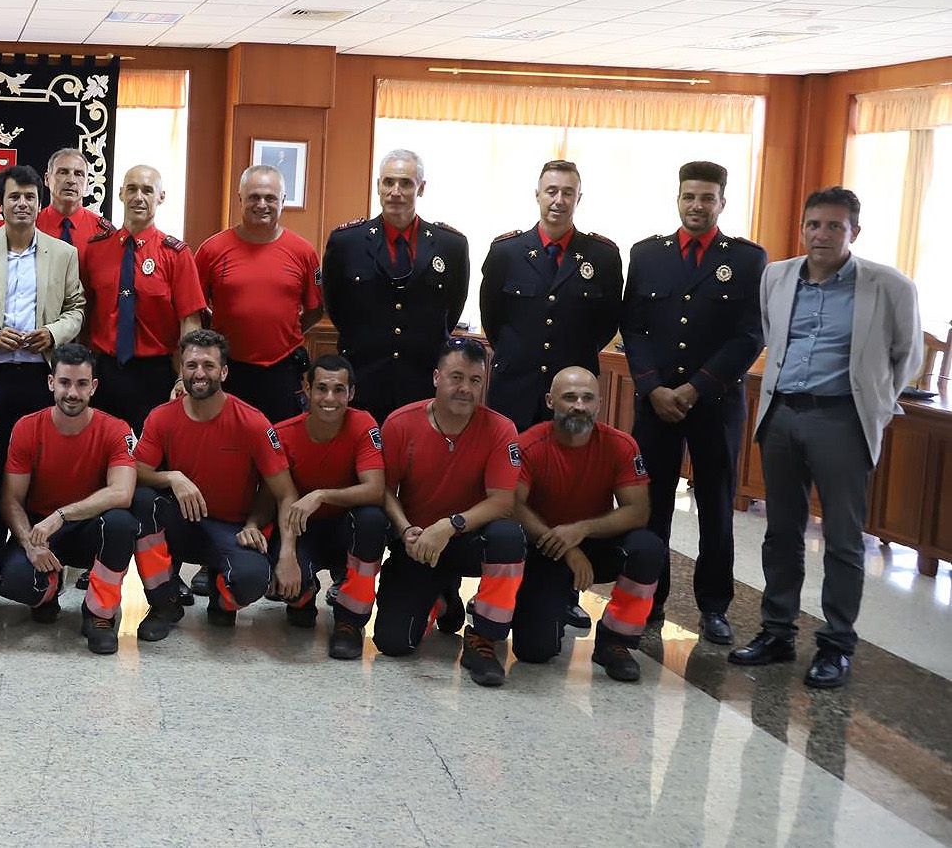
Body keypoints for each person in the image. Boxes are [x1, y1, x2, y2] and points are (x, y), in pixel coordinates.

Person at [730, 187, 922, 689]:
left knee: (841, 539)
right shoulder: (777, 275)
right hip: (783, 417)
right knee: (782, 532)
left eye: (834, 226)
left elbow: (908, 355)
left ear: (854, 232)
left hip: (842, 421)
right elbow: (774, 334)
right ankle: (777, 632)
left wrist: (872, 404)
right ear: (802, 228)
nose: (822, 234)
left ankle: (836, 645)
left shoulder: (889, 286)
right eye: (814, 224)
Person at [621, 161, 766, 646]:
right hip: (655, 402)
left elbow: (749, 335)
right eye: (689, 197)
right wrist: (653, 388)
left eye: (707, 198)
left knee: (717, 505)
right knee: (651, 504)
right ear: (677, 199)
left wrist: (694, 388)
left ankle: (714, 606)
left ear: (722, 203)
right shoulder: (647, 255)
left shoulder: (747, 259)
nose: (697, 206)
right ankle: (649, 599)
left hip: (715, 404)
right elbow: (634, 328)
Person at [0, 164, 85, 593]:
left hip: (41, 377)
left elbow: (77, 309)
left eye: (29, 197)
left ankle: (37, 546)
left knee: (34, 469)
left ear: (38, 203)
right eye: (13, 197)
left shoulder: (63, 253)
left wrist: (53, 333)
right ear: (0, 204)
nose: (22, 204)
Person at [372, 339, 526, 688]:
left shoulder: (501, 429)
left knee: (508, 536)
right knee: (394, 643)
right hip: (418, 544)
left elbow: (503, 503)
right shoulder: (400, 423)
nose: (465, 389)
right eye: (457, 377)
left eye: (475, 380)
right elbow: (384, 490)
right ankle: (441, 599)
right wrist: (405, 527)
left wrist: (450, 525)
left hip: (470, 540)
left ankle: (483, 637)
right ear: (436, 377)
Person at [130, 329, 296, 641]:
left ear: (224, 371)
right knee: (140, 501)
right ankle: (164, 603)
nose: (199, 374)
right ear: (181, 370)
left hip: (232, 528)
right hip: (181, 522)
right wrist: (171, 477)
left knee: (252, 580)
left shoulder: (253, 422)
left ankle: (223, 597)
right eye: (191, 365)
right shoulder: (161, 418)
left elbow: (284, 493)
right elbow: (135, 471)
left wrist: (283, 550)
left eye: (208, 365)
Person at [512, 367, 664, 682]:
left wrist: (580, 531)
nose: (579, 405)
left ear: (599, 404)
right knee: (533, 652)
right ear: (550, 401)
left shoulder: (621, 446)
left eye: (587, 398)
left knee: (648, 548)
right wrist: (568, 549)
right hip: (546, 547)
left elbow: (638, 511)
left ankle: (616, 641)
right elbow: (513, 506)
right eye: (569, 397)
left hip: (595, 543)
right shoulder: (527, 445)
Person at [0, 344, 138, 655]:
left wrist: (61, 515)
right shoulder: (26, 427)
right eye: (64, 383)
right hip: (41, 532)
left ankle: (100, 614)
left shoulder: (116, 429)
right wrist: (29, 542)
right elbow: (11, 499)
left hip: (89, 528)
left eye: (81, 384)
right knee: (13, 583)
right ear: (50, 383)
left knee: (121, 523)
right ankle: (48, 589)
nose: (72, 393)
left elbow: (122, 493)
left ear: (94, 387)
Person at [321, 149, 469, 422]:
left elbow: (453, 307)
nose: (395, 192)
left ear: (421, 188)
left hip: (421, 380)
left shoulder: (451, 246)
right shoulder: (347, 242)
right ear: (378, 185)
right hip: (363, 375)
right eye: (388, 182)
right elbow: (336, 305)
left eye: (406, 183)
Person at [479, 158, 623, 431]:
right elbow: (493, 318)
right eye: (551, 191)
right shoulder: (506, 252)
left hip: (574, 392)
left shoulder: (603, 256)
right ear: (537, 195)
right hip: (515, 389)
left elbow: (607, 322)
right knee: (510, 467)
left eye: (568, 192)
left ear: (578, 198)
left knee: (570, 470)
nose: (559, 200)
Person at [269, 354, 387, 660]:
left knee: (373, 519)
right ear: (306, 389)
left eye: (339, 390)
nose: (330, 398)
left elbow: (375, 490)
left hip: (343, 528)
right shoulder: (283, 433)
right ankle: (303, 596)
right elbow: (280, 498)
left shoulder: (363, 424)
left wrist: (321, 494)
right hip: (300, 528)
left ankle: (350, 621)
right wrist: (286, 556)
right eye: (321, 388)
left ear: (351, 394)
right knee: (294, 597)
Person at [80, 164, 207, 436]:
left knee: (150, 458)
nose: (139, 196)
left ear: (160, 197)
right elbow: (83, 313)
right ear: (121, 194)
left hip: (154, 375)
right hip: (103, 372)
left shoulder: (176, 254)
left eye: (148, 190)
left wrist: (185, 375)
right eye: (132, 189)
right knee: (102, 452)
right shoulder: (95, 250)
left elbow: (190, 321)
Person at [196, 164, 323, 422]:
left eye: (270, 198)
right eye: (254, 197)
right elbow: (195, 308)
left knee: (281, 444)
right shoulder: (211, 250)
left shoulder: (303, 252)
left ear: (283, 201)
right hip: (228, 368)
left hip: (283, 370)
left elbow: (315, 309)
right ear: (240, 198)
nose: (261, 204)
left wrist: (283, 332)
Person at [36, 147, 111, 247]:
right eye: (63, 172)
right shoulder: (31, 226)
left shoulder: (103, 233)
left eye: (78, 174)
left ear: (87, 184)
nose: (71, 180)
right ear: (47, 179)